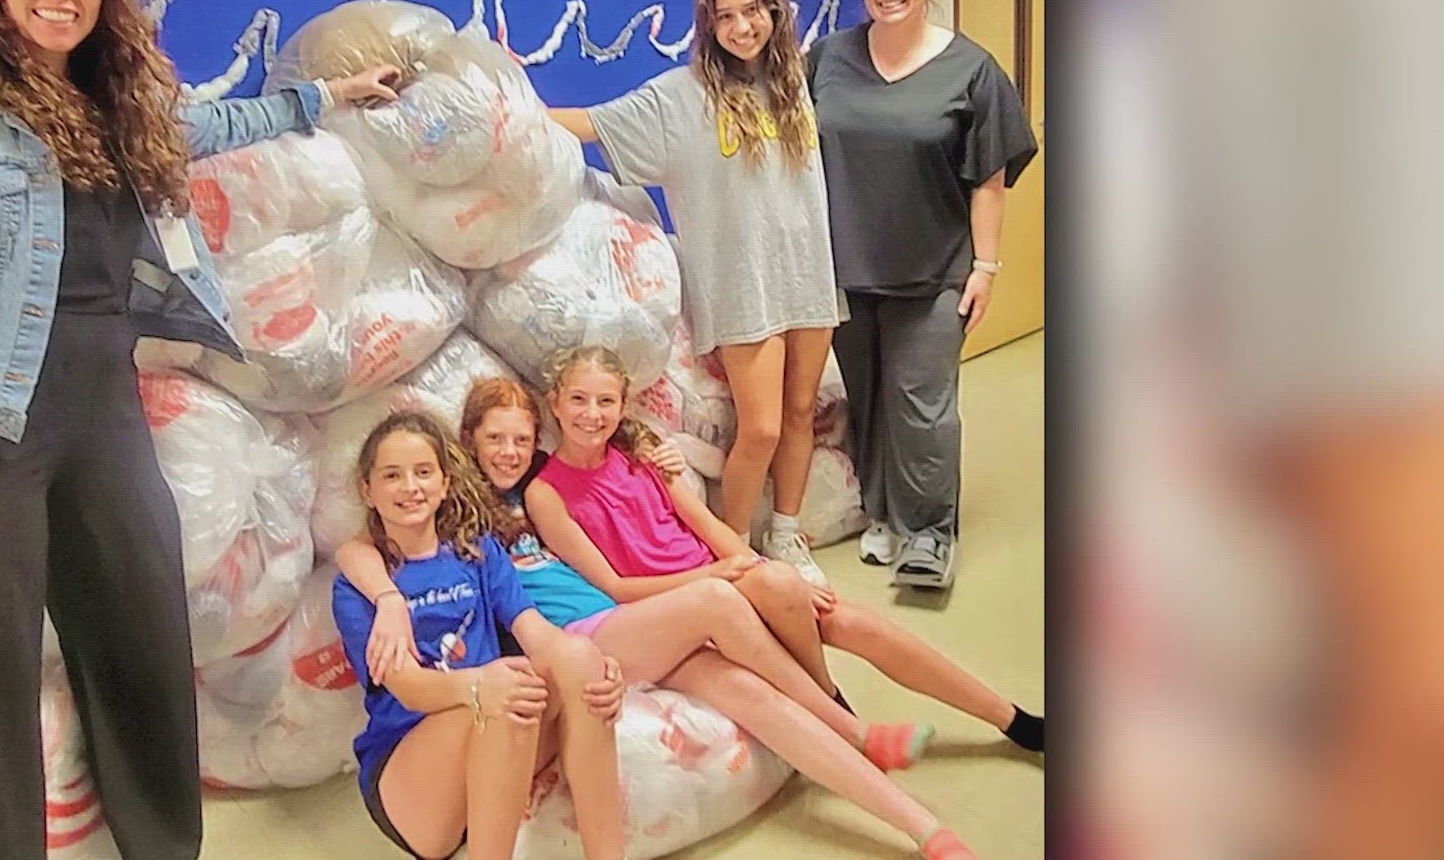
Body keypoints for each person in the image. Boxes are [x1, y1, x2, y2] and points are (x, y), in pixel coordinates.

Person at [0, 0, 400, 860]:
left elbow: (214, 125)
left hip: (104, 411)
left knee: (143, 649)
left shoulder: (115, 103)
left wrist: (327, 95)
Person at [339, 379, 981, 859]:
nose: (508, 451)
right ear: (466, 451)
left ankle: (923, 827)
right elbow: (362, 552)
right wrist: (391, 599)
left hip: (611, 630)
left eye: (520, 438)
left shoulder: (544, 488)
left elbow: (624, 463)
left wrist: (660, 456)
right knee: (714, 604)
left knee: (748, 686)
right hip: (548, 663)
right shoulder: (467, 529)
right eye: (492, 440)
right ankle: (847, 723)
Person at [525, 346, 1044, 756]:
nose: (592, 414)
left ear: (622, 404)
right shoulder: (546, 493)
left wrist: (754, 568)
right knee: (782, 585)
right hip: (675, 605)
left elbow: (704, 523)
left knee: (842, 615)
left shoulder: (643, 454)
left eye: (605, 401)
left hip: (723, 577)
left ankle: (1011, 719)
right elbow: (614, 587)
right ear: (555, 402)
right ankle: (831, 703)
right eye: (578, 400)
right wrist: (727, 577)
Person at [547, 0, 840, 585]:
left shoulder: (796, 82)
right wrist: (495, 114)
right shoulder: (680, 96)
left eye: (752, 11)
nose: (741, 28)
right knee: (759, 427)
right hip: (741, 285)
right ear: (708, 24)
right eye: (725, 16)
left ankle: (785, 535)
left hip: (808, 274)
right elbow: (588, 123)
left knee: (799, 415)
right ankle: (732, 553)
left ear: (775, 10)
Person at [805, 0, 1037, 589]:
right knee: (869, 397)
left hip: (936, 269)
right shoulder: (827, 59)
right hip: (847, 270)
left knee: (922, 402)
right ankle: (881, 513)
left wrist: (986, 267)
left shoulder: (972, 70)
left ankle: (931, 533)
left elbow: (988, 177)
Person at [331, 411, 628, 860]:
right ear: (368, 491)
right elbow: (409, 688)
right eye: (392, 475)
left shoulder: (476, 549)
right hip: (412, 776)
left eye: (423, 472)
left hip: (500, 738)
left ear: (445, 482)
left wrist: (593, 669)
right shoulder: (359, 585)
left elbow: (536, 632)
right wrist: (477, 686)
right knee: (504, 694)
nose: (410, 487)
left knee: (578, 658)